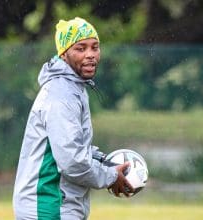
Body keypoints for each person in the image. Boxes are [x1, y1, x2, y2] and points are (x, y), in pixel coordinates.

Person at [13, 17, 133, 220]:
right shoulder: (61, 95)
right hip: (49, 206)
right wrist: (111, 177)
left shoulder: (72, 88)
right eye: (80, 48)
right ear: (64, 53)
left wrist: (106, 162)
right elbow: (72, 162)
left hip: (59, 206)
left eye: (95, 47)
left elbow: (76, 147)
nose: (90, 55)